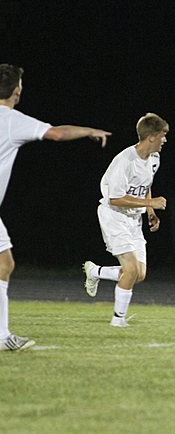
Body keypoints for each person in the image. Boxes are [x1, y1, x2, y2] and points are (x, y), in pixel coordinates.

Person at [0, 63, 111, 351]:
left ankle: (2, 336)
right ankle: (1, 337)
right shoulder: (10, 119)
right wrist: (89, 131)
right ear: (17, 91)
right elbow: (57, 134)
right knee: (3, 264)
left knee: (4, 263)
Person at [82, 113, 168, 327]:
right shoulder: (125, 160)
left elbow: (145, 185)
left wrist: (150, 212)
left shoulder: (154, 159)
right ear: (151, 137)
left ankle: (96, 271)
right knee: (130, 270)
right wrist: (150, 203)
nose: (164, 140)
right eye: (163, 135)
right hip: (114, 216)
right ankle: (117, 320)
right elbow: (116, 198)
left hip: (134, 219)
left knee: (139, 274)